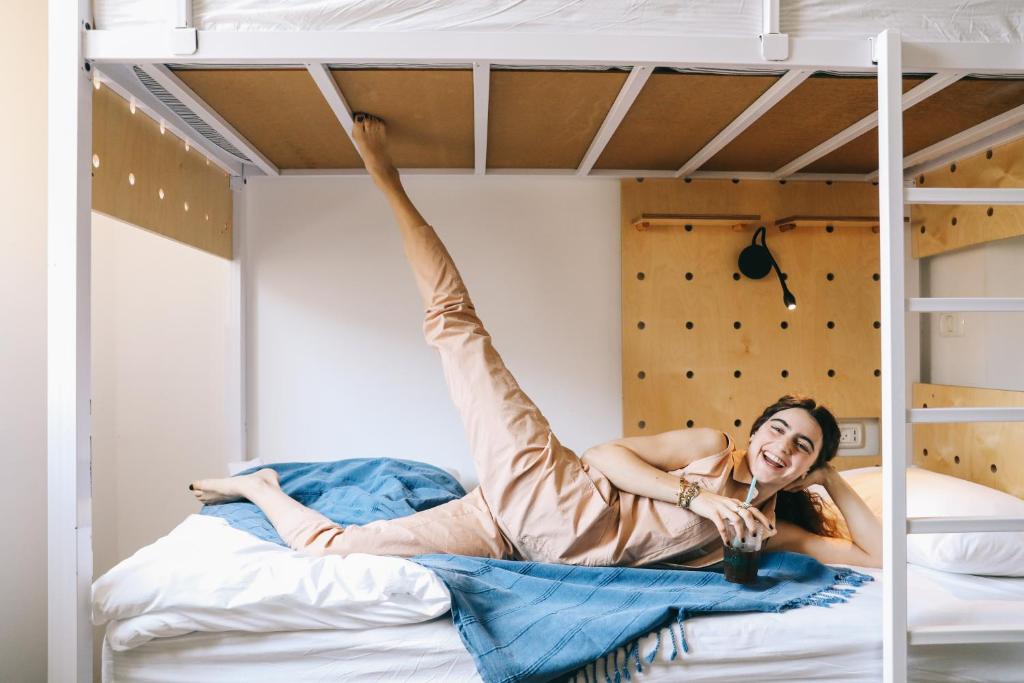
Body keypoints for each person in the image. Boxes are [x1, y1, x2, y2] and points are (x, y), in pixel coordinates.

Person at [191, 115, 882, 569]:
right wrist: (694, 498)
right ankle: (387, 179)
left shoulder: (765, 530)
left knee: (334, 552)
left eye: (802, 448)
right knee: (456, 325)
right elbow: (606, 455)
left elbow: (877, 561)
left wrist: (832, 478)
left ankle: (259, 487)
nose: (783, 446)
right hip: (547, 486)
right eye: (781, 428)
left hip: (510, 537)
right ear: (756, 426)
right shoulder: (708, 451)